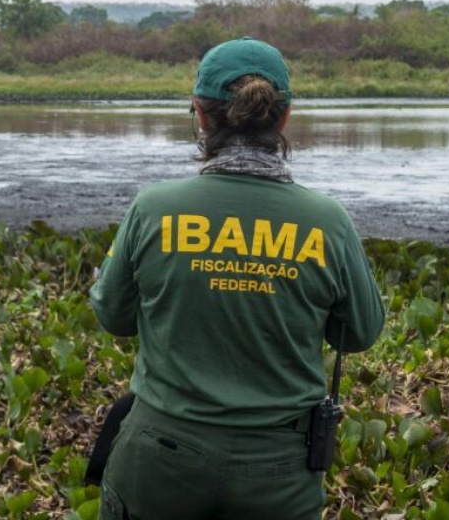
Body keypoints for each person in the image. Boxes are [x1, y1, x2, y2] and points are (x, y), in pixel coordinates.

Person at [89, 37, 385, 520]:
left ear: (201, 116)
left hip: (161, 457)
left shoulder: (153, 209)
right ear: (284, 118)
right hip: (280, 470)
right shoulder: (327, 221)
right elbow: (362, 332)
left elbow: (114, 316)